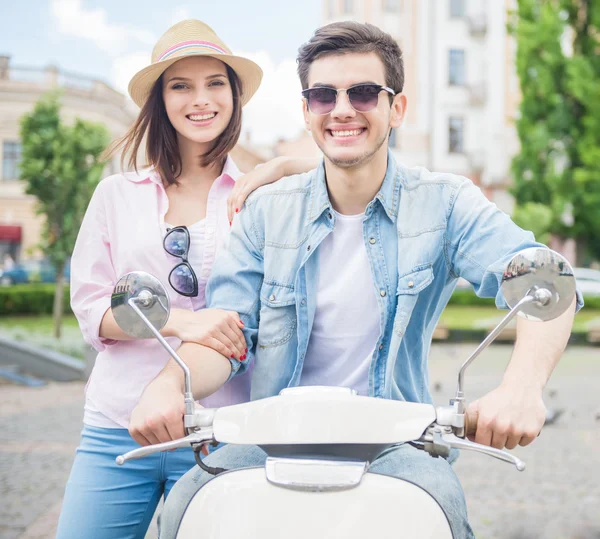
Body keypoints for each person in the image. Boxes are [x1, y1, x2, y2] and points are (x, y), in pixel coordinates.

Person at [142, 22, 581, 538]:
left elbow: (547, 276)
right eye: (324, 95)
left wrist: (521, 387)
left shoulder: (446, 201)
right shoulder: (264, 213)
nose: (343, 109)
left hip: (397, 443)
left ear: (397, 108)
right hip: (274, 437)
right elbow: (226, 337)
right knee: (187, 506)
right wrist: (169, 384)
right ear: (307, 112)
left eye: (364, 93)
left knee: (442, 509)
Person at [55, 19, 317, 539]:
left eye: (215, 83)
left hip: (222, 431)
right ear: (161, 101)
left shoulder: (260, 197)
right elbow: (91, 311)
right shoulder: (115, 195)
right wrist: (181, 323)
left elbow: (351, 159)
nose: (201, 99)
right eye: (181, 85)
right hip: (119, 426)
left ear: (234, 97)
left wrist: (278, 166)